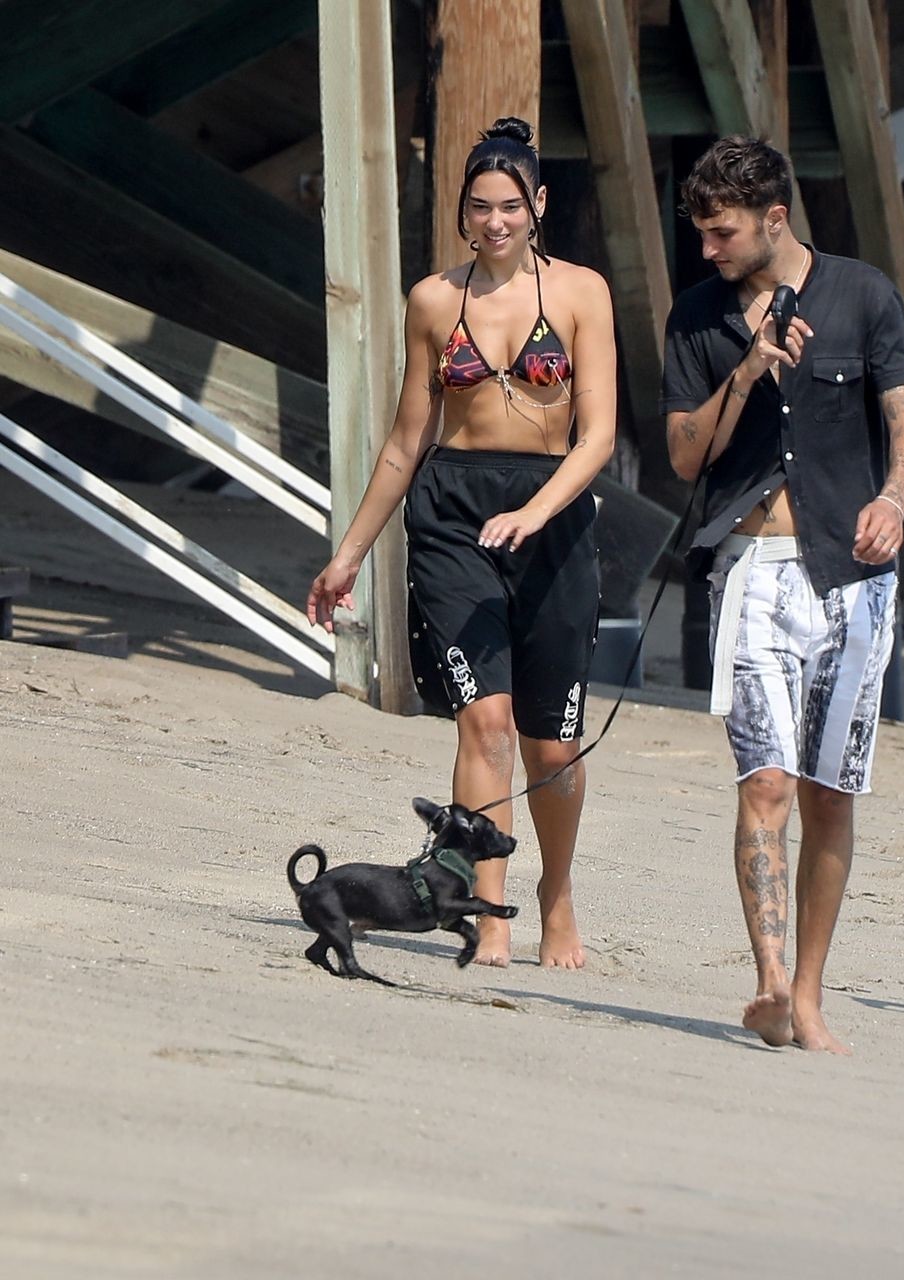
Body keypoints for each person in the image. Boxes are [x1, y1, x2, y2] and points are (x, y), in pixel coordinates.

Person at [307, 117, 616, 970]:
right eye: (480, 207)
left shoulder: (582, 293)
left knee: (553, 743)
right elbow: (407, 441)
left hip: (552, 515)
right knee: (485, 721)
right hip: (453, 515)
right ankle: (488, 913)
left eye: (511, 206)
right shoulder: (434, 301)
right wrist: (349, 554)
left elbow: (598, 435)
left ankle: (556, 894)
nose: (495, 222)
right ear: (462, 212)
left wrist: (538, 512)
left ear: (538, 204)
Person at [660, 136, 904, 1054]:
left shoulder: (864, 295)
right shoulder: (697, 317)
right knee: (767, 779)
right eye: (702, 234)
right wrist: (746, 368)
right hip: (750, 566)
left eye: (724, 234)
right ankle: (771, 983)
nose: (709, 250)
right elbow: (685, 457)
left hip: (852, 576)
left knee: (830, 795)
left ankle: (809, 996)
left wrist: (893, 500)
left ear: (775, 219)